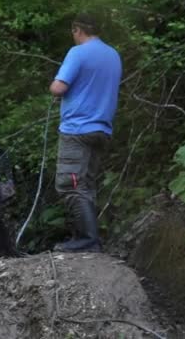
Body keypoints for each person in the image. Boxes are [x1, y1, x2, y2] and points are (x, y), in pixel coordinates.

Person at [49, 13, 122, 252]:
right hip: (102, 129)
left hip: (77, 130)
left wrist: (53, 87)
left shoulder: (78, 53)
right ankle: (83, 238)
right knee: (86, 184)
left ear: (77, 29)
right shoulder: (113, 54)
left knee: (70, 185)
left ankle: (88, 241)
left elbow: (59, 88)